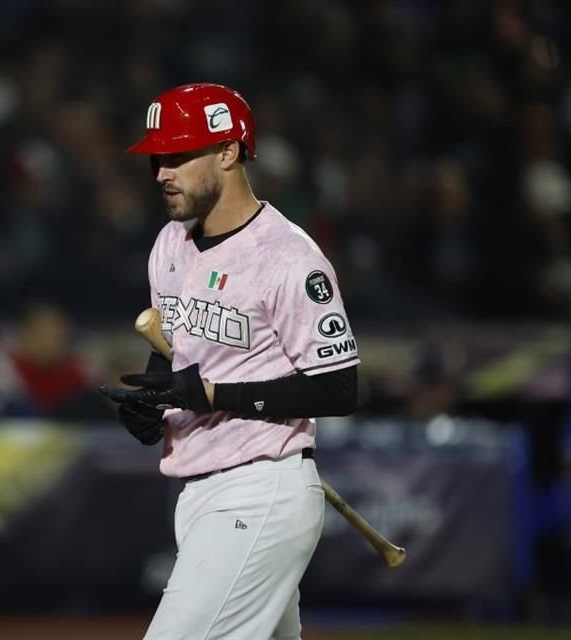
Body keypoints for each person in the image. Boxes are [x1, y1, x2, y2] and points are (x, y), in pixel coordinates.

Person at [100, 83, 360, 640]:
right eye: (156, 158)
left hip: (261, 490)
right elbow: (175, 361)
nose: (161, 172)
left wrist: (218, 395)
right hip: (198, 495)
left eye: (177, 155)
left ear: (227, 151)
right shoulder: (170, 244)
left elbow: (339, 389)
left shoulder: (289, 258)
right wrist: (150, 408)